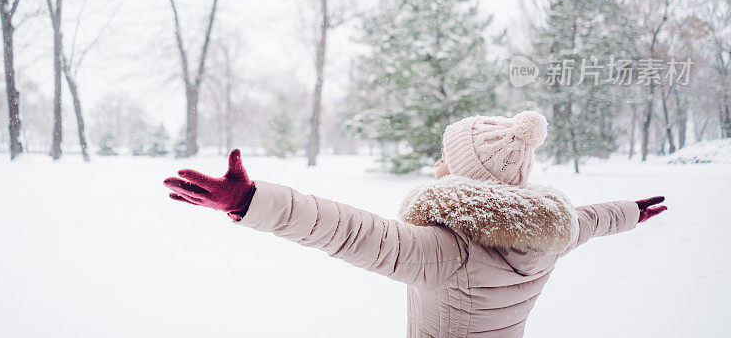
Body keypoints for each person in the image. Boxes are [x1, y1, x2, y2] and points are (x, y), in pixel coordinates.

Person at [164, 111, 666, 338]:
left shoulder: (448, 251)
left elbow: (348, 230)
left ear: (463, 176)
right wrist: (631, 212)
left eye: (448, 159)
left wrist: (251, 201)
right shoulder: (551, 234)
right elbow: (591, 220)